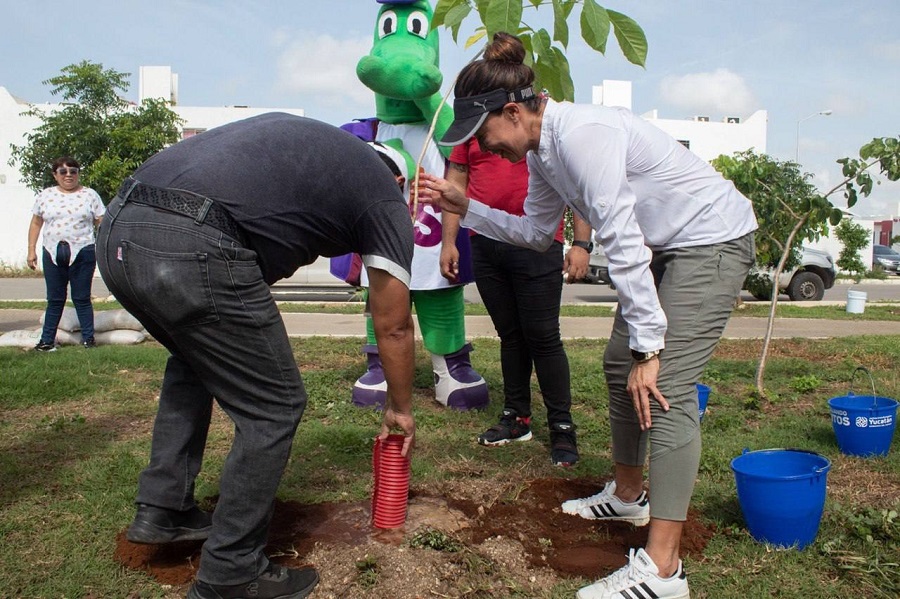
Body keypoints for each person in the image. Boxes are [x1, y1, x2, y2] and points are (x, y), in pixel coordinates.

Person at [418, 32, 757, 599]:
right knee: (616, 363)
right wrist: (466, 207)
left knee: (664, 384)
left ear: (512, 111)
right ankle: (628, 498)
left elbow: (620, 236)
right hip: (663, 247)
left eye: (484, 134)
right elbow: (532, 234)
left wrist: (652, 351)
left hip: (710, 241)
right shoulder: (544, 151)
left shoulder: (583, 135)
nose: (484, 149)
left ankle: (664, 571)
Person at [96, 113, 417, 599]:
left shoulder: (319, 159)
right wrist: (400, 406)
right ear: (398, 181)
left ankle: (163, 510)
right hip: (189, 239)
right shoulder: (382, 193)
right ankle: (231, 573)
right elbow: (392, 323)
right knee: (275, 406)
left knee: (192, 362)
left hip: (119, 229)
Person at [441, 136, 592, 466]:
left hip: (537, 241)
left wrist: (581, 242)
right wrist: (448, 241)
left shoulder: (533, 118)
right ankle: (516, 418)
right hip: (484, 241)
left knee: (543, 337)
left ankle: (562, 427)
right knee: (510, 336)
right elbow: (457, 182)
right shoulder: (468, 127)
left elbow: (573, 182)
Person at [27, 157, 105, 351]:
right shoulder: (45, 196)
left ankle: (88, 340)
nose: (68, 175)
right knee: (55, 299)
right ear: (55, 175)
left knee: (81, 298)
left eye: (73, 171)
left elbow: (101, 223)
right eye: (63, 172)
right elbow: (36, 223)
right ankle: (46, 341)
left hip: (83, 251)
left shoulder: (90, 195)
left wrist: (107, 249)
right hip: (53, 251)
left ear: (78, 173)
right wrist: (31, 250)